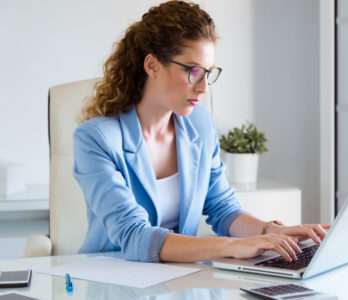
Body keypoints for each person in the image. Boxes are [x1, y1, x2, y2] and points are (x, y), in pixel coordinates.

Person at [73, 0, 330, 263]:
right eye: (193, 71)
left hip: (177, 277)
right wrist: (231, 246)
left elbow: (222, 208)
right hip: (113, 279)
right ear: (152, 66)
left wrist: (271, 230)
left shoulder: (200, 123)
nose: (204, 87)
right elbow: (133, 234)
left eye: (208, 72)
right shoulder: (96, 139)